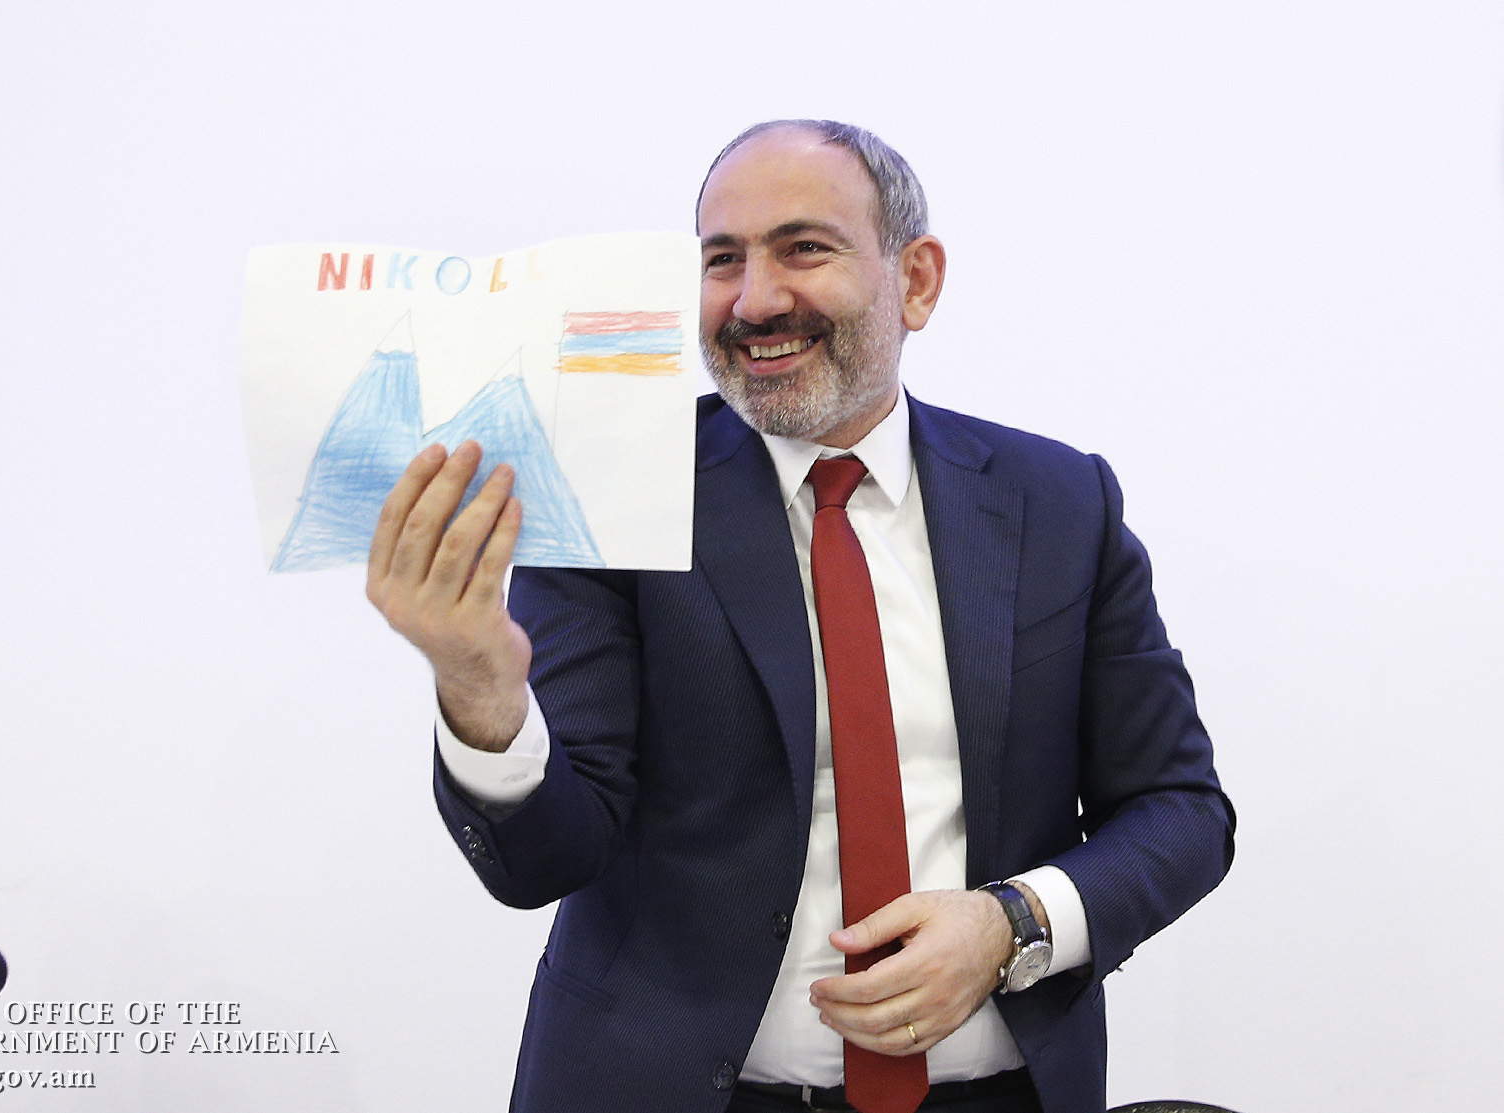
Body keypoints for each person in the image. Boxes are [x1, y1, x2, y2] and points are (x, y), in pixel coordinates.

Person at [366, 120, 1233, 1113]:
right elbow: (543, 859)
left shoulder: (1059, 503)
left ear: (915, 280)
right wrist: (479, 686)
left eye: (802, 249)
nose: (753, 300)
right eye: (721, 261)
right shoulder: (612, 493)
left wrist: (1013, 923)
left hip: (998, 1093)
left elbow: (1178, 810)